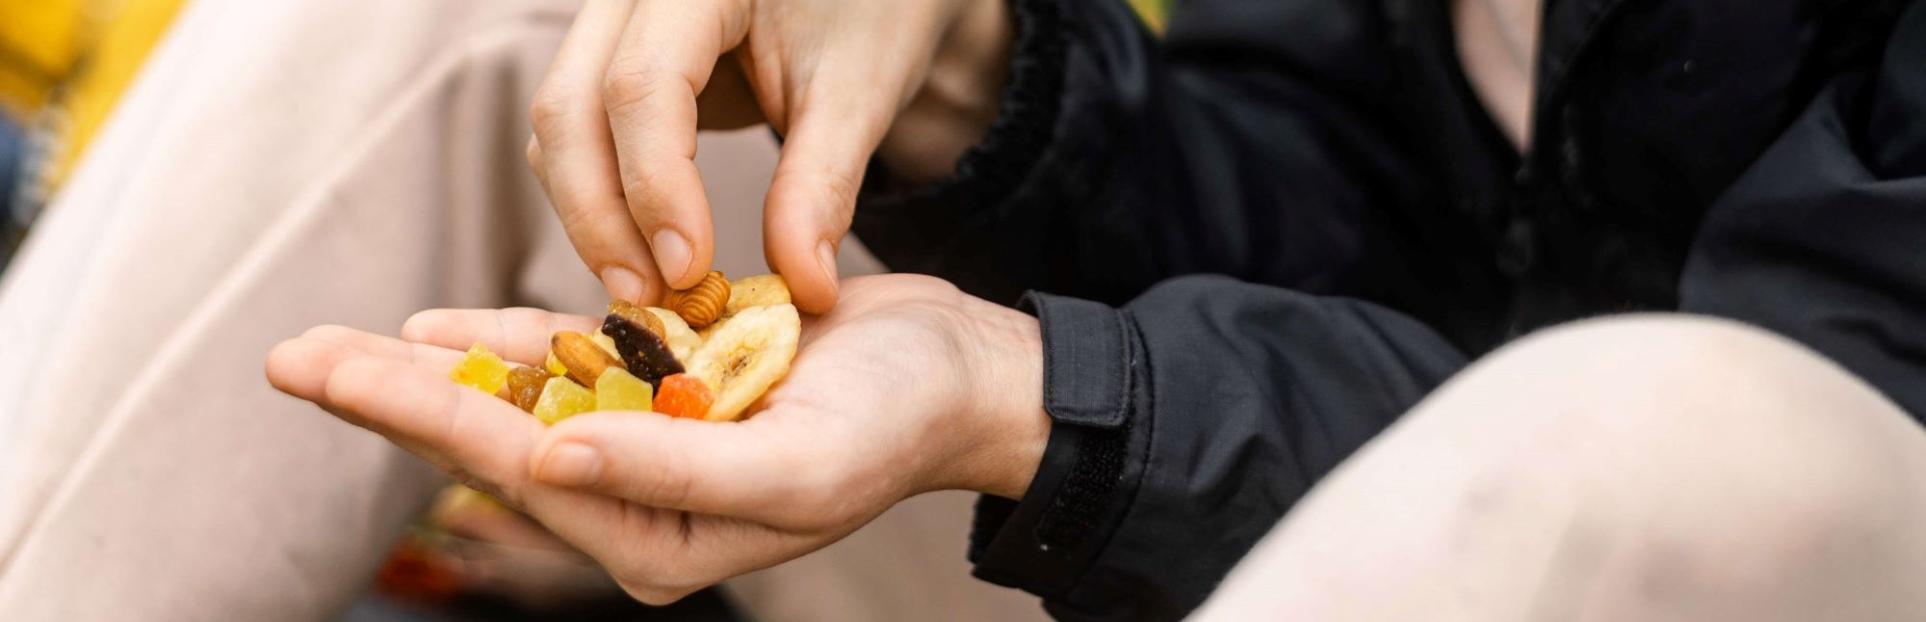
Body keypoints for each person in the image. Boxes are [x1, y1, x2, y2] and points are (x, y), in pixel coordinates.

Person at [269, 0, 1926, 620]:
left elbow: (1837, 377)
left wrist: (1027, 390)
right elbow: (1324, 225)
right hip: (1232, 530)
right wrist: (974, 72)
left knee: (1663, 429)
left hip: (1779, 532)